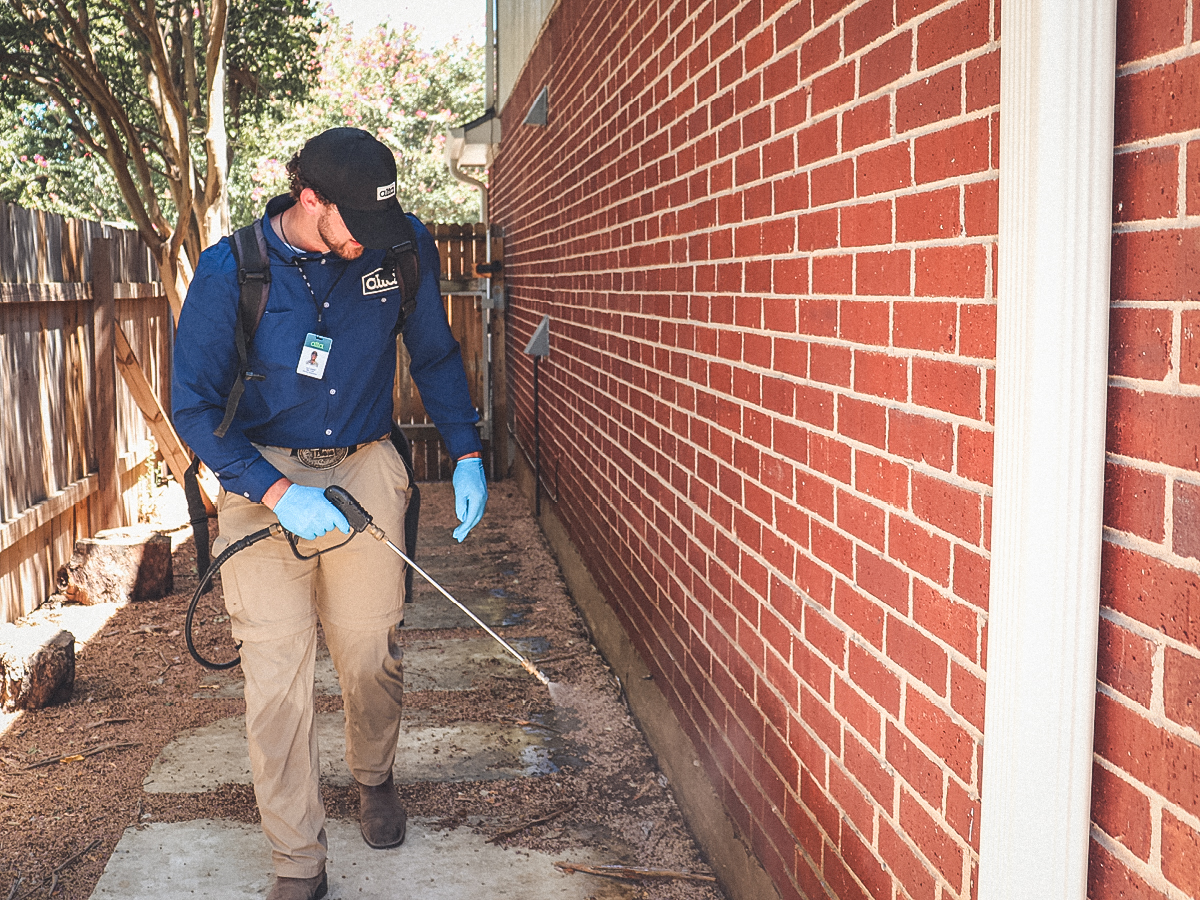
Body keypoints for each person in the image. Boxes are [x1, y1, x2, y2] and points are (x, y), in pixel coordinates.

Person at [171, 127, 488, 900]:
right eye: (357, 224)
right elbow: (194, 406)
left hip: (364, 461)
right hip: (261, 474)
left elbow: (435, 353)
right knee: (274, 674)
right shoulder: (231, 270)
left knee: (369, 648)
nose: (370, 240)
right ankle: (297, 862)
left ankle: (374, 776)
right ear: (310, 199)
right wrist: (276, 492)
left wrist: (466, 450)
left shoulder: (399, 247)